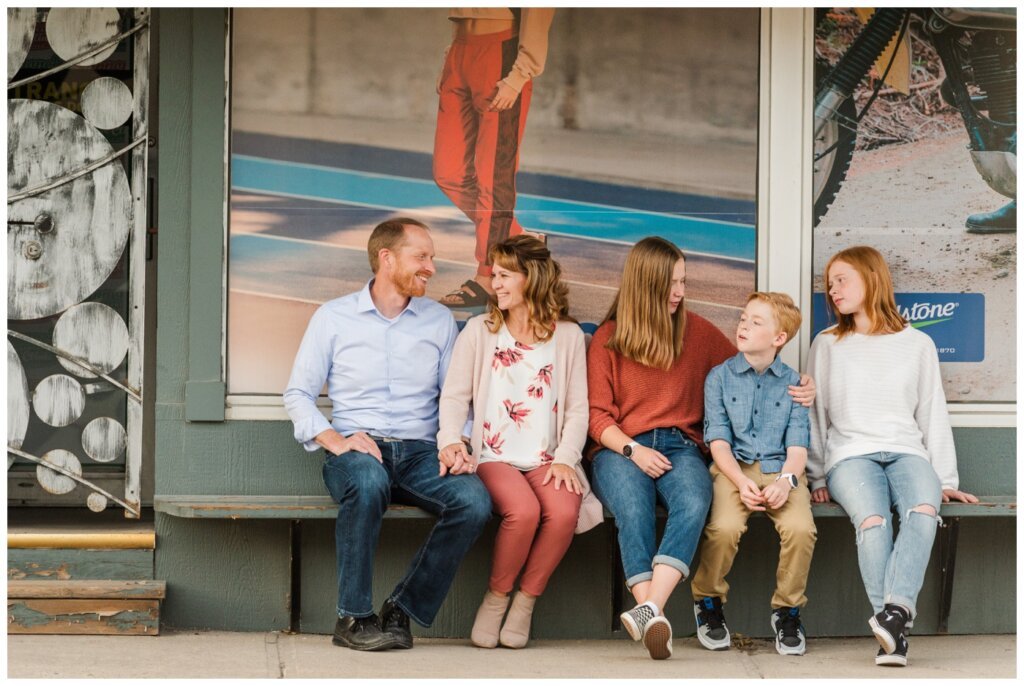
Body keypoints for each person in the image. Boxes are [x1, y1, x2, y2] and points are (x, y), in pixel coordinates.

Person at [586, 237, 815, 660]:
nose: (680, 292)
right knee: (633, 509)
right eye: (672, 283)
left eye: (683, 281)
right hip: (621, 448)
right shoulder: (608, 339)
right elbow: (598, 419)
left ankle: (649, 610)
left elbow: (754, 367)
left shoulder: (698, 332)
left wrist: (802, 385)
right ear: (646, 285)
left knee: (693, 500)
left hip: (681, 446)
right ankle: (651, 611)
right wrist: (634, 451)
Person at [283, 217, 492, 652]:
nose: (431, 267)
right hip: (359, 450)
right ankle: (353, 618)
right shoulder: (334, 317)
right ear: (386, 257)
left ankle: (401, 610)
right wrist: (338, 443)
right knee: (367, 479)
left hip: (421, 453)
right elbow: (298, 394)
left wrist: (459, 441)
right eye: (422, 257)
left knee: (474, 502)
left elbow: (455, 398)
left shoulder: (438, 320)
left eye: (431, 258)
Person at [807, 245, 978, 668]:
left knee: (923, 509)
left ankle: (894, 619)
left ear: (872, 278)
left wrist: (946, 480)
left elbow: (932, 411)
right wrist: (816, 476)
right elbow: (816, 414)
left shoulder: (917, 344)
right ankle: (896, 627)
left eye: (842, 279)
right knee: (873, 520)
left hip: (907, 452)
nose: (833, 290)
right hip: (850, 456)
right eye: (830, 284)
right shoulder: (827, 344)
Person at [438, 235, 603, 649]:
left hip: (548, 458)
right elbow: (455, 395)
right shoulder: (481, 330)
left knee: (564, 512)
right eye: (494, 275)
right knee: (524, 512)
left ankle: (525, 602)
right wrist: (449, 439)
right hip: (494, 455)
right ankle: (495, 599)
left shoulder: (566, 336)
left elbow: (578, 409)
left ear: (533, 278)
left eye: (505, 275)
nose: (496, 283)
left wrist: (567, 457)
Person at [690, 292, 816, 657]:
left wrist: (786, 481)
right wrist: (740, 481)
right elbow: (718, 442)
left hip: (782, 472)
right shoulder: (720, 378)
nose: (743, 325)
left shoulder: (794, 383)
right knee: (724, 528)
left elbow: (797, 449)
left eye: (756, 322)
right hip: (734, 469)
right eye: (743, 318)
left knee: (800, 529)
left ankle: (787, 610)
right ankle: (708, 601)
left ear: (779, 338)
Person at [433, 8, 556, 313]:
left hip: (501, 52)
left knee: (492, 178)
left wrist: (519, 75)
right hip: (461, 51)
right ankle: (514, 233)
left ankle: (487, 275)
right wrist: (452, 54)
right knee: (448, 173)